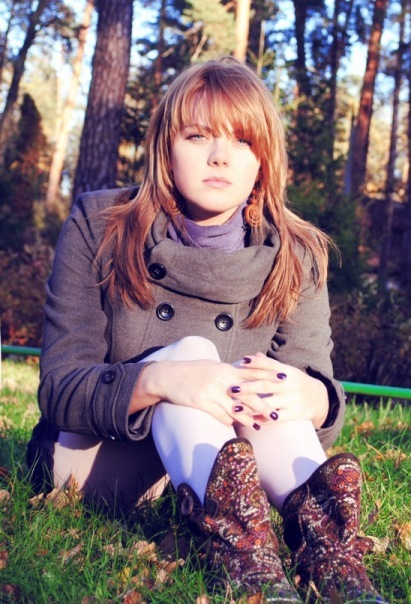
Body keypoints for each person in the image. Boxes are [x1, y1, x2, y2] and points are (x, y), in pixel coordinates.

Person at [28, 58, 387, 603]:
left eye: (243, 140)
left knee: (264, 381)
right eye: (198, 136)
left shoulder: (297, 253)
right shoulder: (100, 224)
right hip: (94, 461)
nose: (220, 156)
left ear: (263, 159)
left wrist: (310, 395)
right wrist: (165, 380)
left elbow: (309, 417)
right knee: (192, 352)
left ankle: (330, 551)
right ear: (166, 147)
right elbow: (59, 390)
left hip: (226, 463)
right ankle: (243, 555)